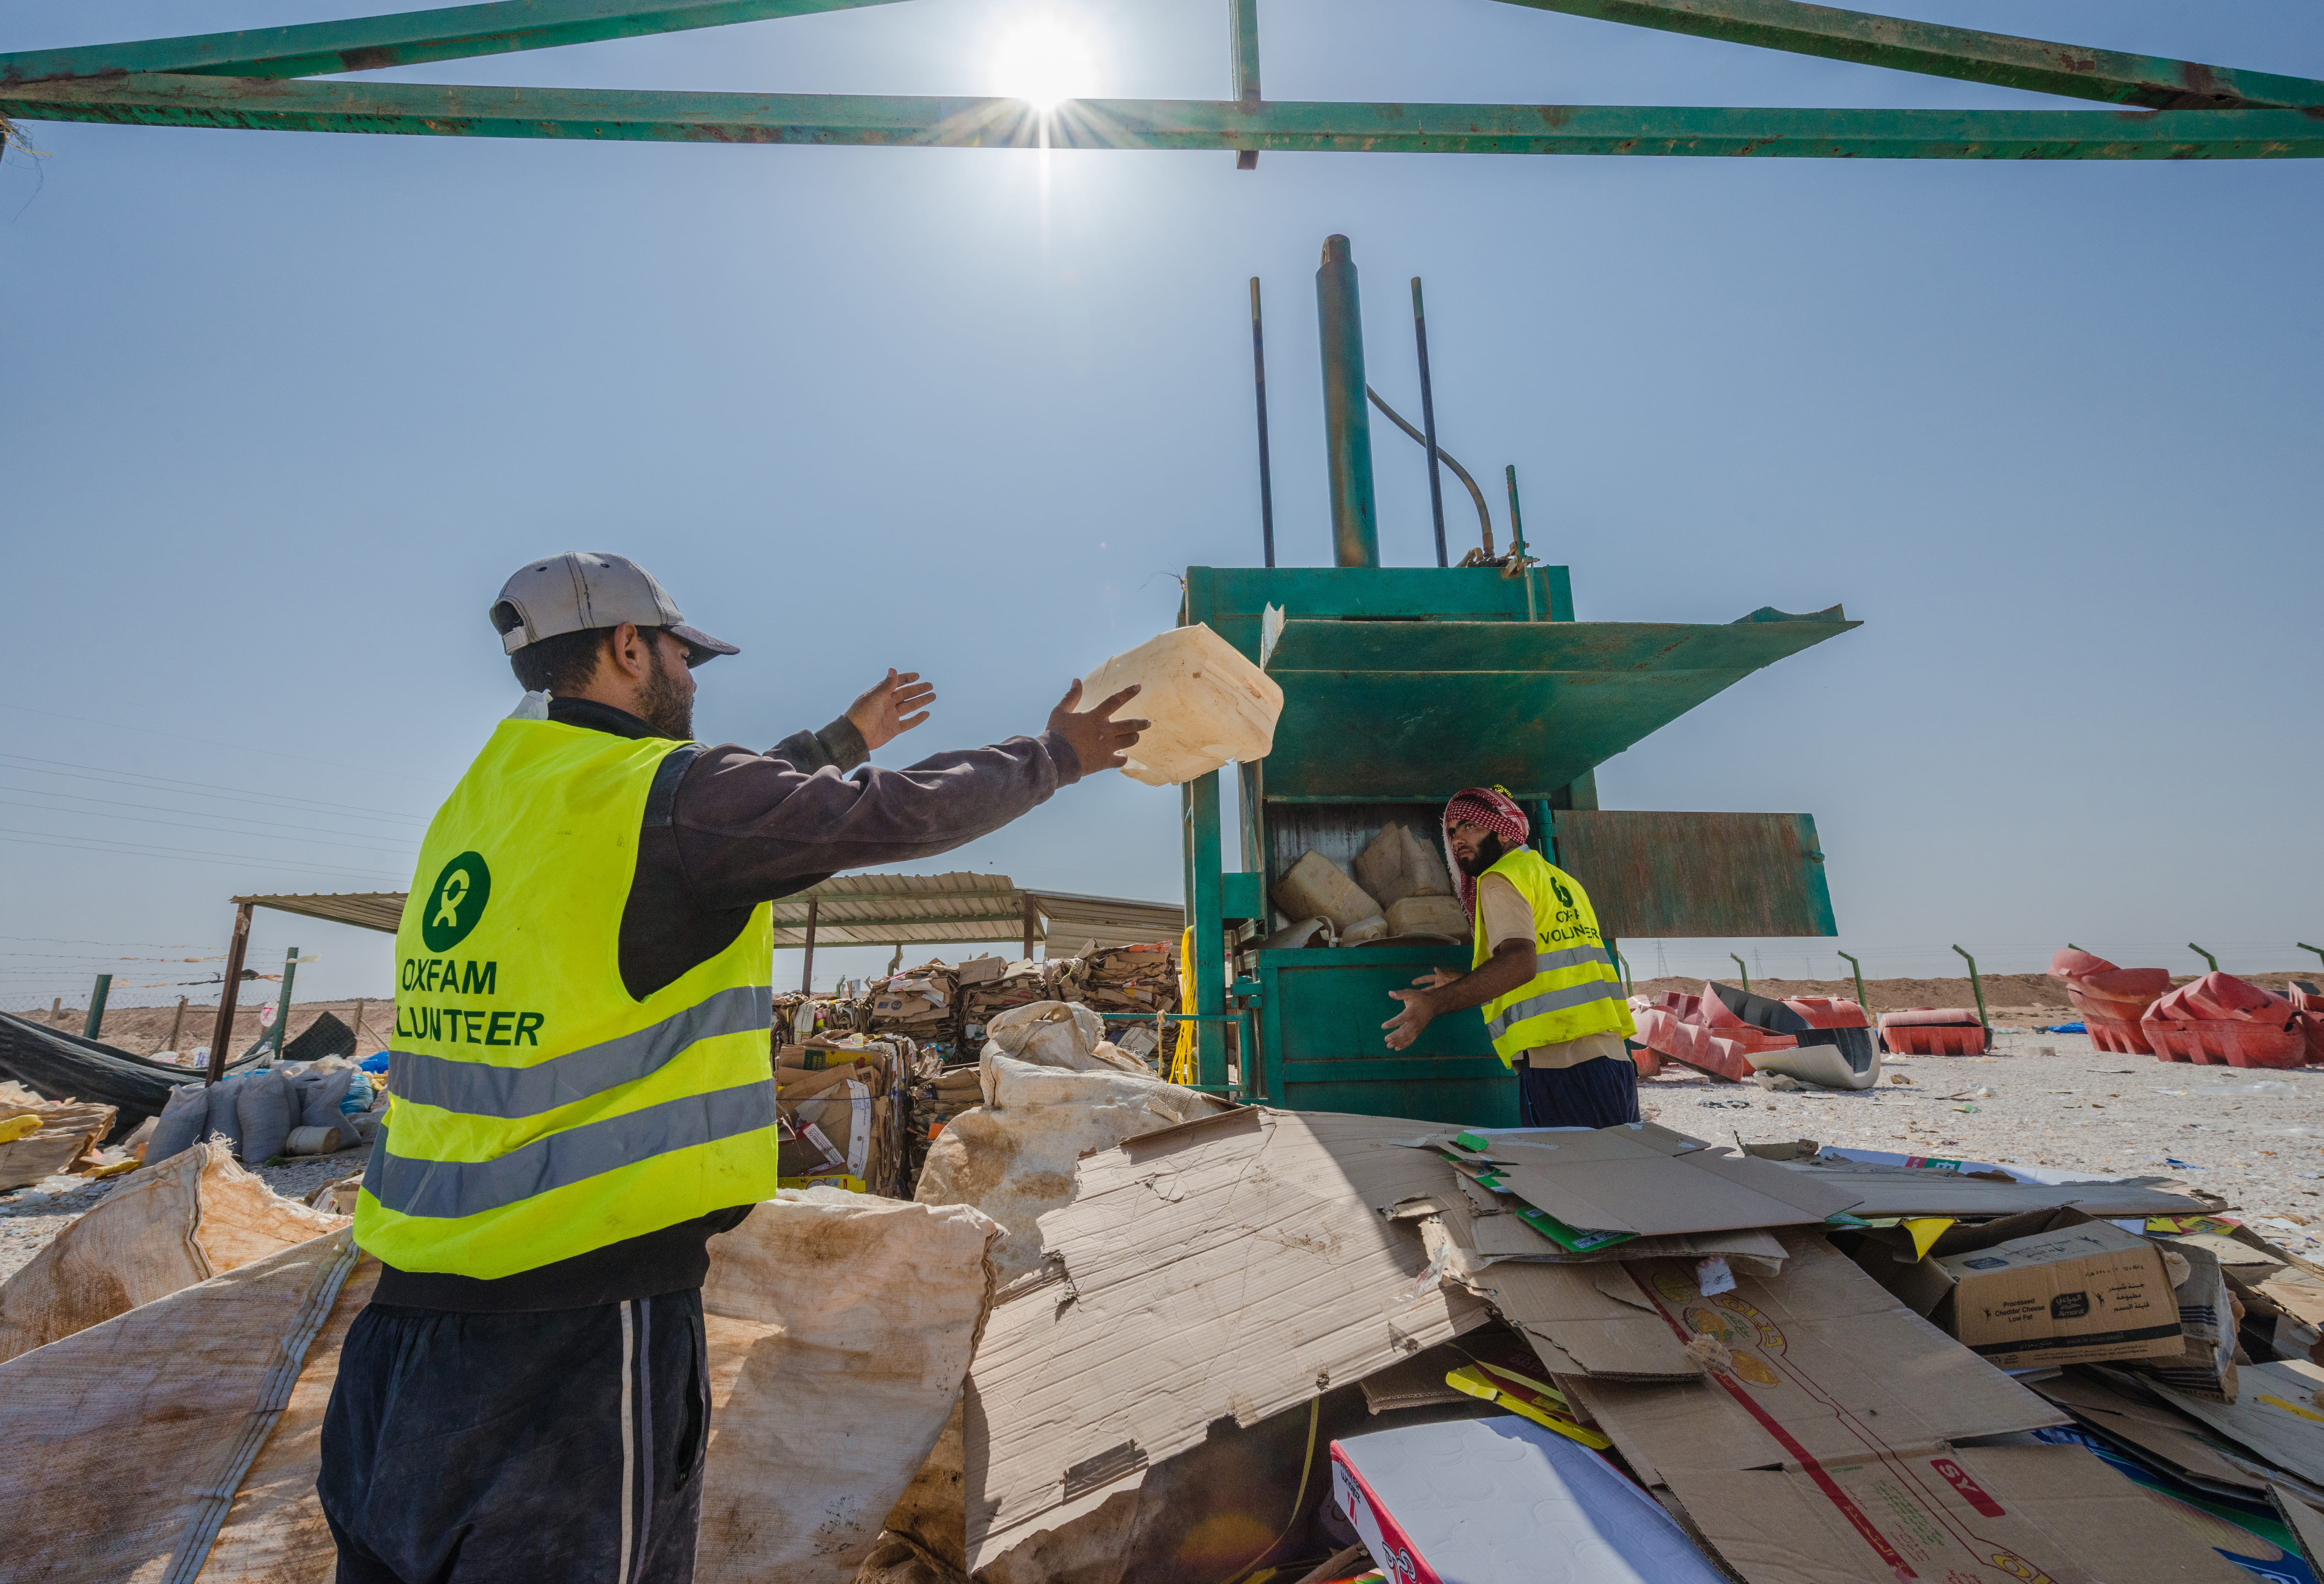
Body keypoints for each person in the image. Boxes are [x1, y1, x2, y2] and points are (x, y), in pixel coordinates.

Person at [318, 552, 1147, 1584]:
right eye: (683, 654)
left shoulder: (492, 800)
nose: (693, 677)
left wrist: (839, 739)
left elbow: (710, 811)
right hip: (573, 1339)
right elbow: (872, 812)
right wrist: (1053, 756)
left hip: (400, 1335)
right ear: (629, 648)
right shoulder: (661, 800)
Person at [1379, 786, 1639, 1129]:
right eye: (1452, 831)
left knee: (1563, 1163)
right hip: (1612, 1062)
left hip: (1561, 1066)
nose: (1457, 839)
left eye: (1470, 826)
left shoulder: (1500, 877)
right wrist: (1464, 981)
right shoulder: (1561, 880)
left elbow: (1519, 963)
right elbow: (1551, 965)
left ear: (1503, 831)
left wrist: (1434, 1003)